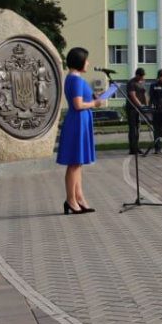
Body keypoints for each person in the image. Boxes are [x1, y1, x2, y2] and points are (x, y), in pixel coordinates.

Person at [57, 47, 100, 214]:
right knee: (74, 163)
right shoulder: (75, 80)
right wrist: (95, 104)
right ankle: (71, 200)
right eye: (86, 59)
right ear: (79, 61)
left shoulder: (75, 79)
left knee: (78, 163)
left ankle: (79, 197)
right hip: (77, 122)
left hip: (80, 121)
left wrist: (96, 97)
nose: (88, 63)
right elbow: (78, 105)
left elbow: (82, 100)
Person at [125, 67, 147, 155]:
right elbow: (133, 96)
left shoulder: (141, 82)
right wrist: (140, 105)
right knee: (132, 129)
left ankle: (137, 147)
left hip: (139, 109)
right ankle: (132, 149)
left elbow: (144, 94)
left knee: (137, 128)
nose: (143, 78)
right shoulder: (131, 83)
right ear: (137, 75)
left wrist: (147, 105)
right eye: (141, 77)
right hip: (132, 109)